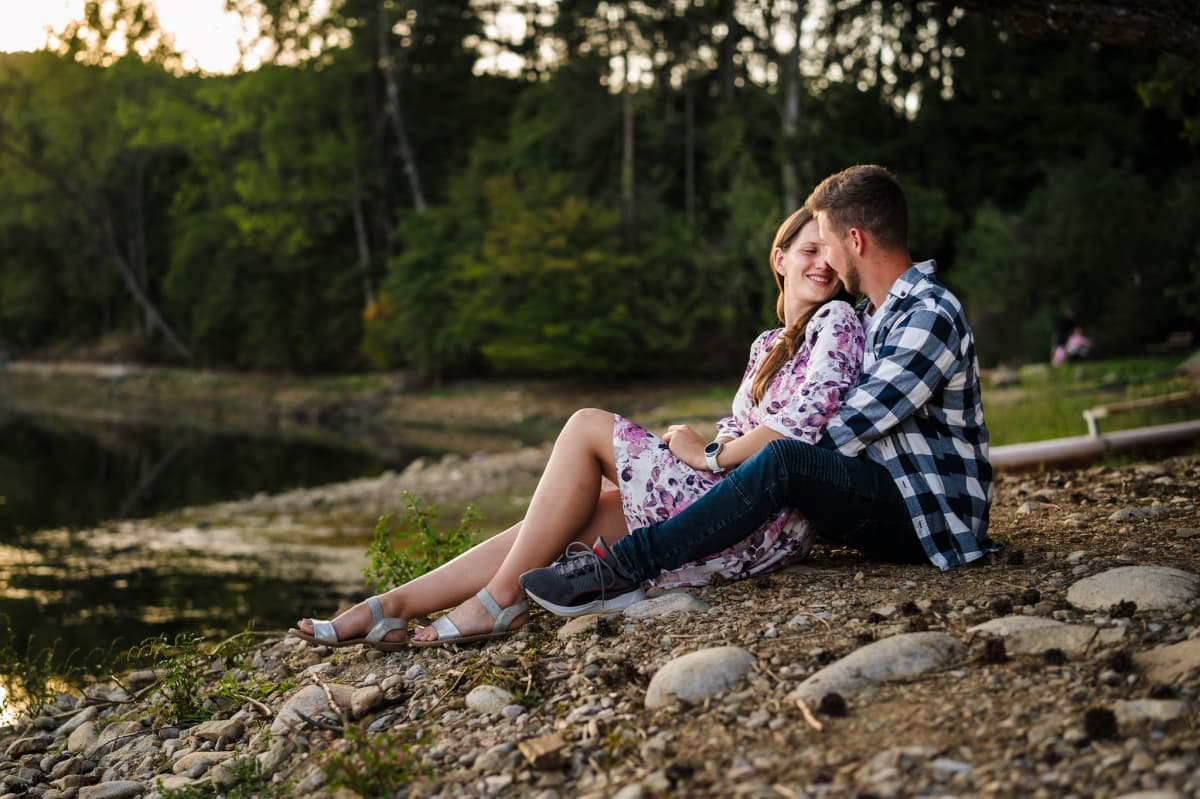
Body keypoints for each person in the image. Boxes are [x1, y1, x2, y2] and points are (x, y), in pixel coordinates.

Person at [291, 207, 864, 647]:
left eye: (830, 254)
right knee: (562, 520)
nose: (821, 263)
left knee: (588, 425)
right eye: (808, 249)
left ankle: (501, 598)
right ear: (778, 258)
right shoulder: (768, 344)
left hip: (762, 515)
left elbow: (800, 428)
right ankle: (392, 604)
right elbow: (746, 425)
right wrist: (694, 442)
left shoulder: (836, 321)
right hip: (730, 499)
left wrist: (703, 455)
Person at [520, 164, 998, 617]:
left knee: (787, 458)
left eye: (827, 244)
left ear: (855, 240)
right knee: (778, 457)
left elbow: (837, 432)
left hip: (931, 514)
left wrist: (713, 459)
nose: (827, 261)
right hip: (883, 495)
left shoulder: (929, 313)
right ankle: (525, 586)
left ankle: (625, 568)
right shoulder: (876, 317)